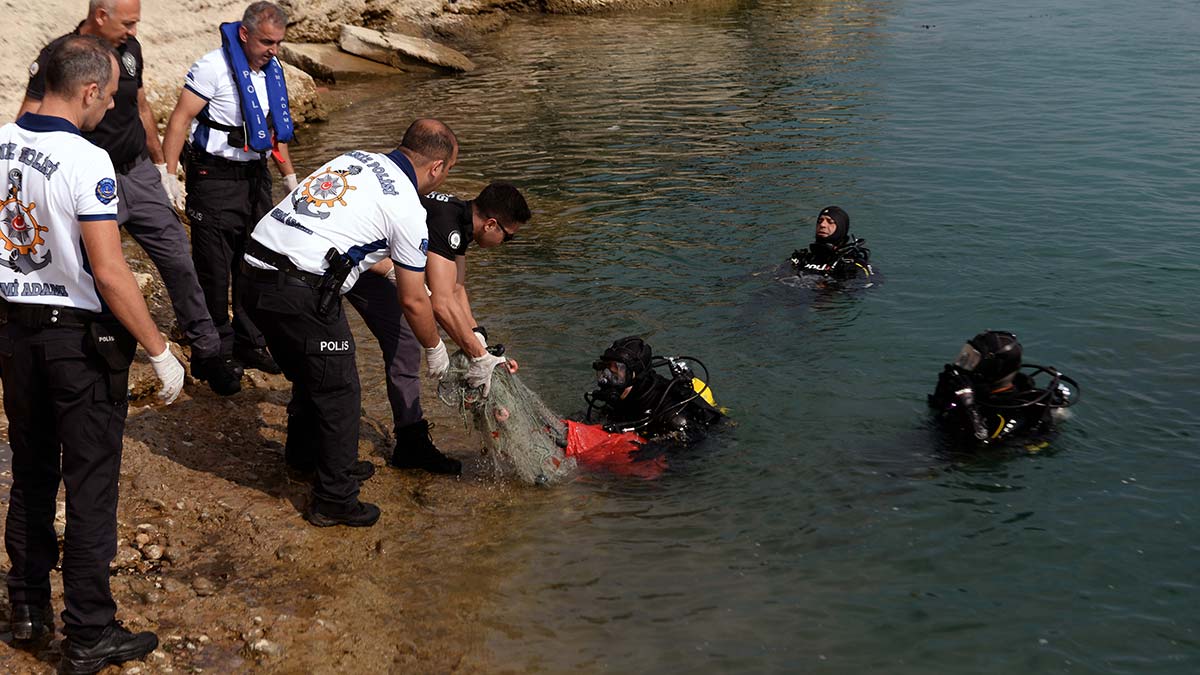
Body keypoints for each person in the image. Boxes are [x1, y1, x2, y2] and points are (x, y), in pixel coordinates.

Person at [0, 35, 185, 673]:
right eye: (108, 95)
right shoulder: (85, 159)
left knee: (29, 473)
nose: (110, 106)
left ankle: (26, 609)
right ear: (85, 91)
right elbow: (109, 272)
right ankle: (88, 631)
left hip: (14, 334)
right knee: (89, 486)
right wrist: (159, 350)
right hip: (75, 343)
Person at [240, 119, 508, 527]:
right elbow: (415, 299)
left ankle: (311, 461)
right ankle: (335, 500)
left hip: (252, 272)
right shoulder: (406, 207)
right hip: (299, 288)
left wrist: (472, 341)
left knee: (312, 375)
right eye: (448, 169)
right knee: (340, 391)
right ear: (436, 167)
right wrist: (435, 350)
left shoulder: (355, 159)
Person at [17, 0, 242, 395]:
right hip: (85, 178)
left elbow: (140, 105)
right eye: (128, 22)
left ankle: (208, 350)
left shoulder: (129, 49)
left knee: (178, 258)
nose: (134, 31)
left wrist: (161, 167)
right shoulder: (60, 55)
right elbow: (30, 117)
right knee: (91, 269)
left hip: (136, 172)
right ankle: (94, 351)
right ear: (100, 16)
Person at [345, 182, 531, 476]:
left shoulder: (457, 217)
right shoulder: (448, 226)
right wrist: (477, 358)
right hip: (357, 260)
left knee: (406, 341)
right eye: (507, 238)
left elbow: (455, 290)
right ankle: (411, 443)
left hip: (371, 259)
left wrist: (479, 341)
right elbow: (441, 304)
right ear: (491, 225)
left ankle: (409, 438)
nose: (505, 244)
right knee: (404, 344)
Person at [161, 1, 298, 375]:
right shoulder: (212, 68)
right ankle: (214, 350)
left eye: (278, 43)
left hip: (255, 175)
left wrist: (289, 178)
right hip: (214, 175)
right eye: (266, 42)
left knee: (255, 259)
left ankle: (250, 340)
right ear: (244, 34)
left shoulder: (273, 70)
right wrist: (168, 175)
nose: (273, 50)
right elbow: (179, 120)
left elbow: (273, 130)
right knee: (214, 264)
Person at [928, 330, 1079, 447]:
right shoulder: (971, 391)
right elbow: (938, 410)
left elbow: (981, 442)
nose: (965, 363)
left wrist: (968, 405)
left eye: (973, 360)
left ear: (992, 370)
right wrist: (943, 388)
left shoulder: (1014, 411)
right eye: (966, 355)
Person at [583, 336, 723, 445]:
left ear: (634, 375)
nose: (606, 379)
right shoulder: (621, 396)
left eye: (616, 373)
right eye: (604, 369)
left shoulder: (671, 415)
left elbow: (684, 459)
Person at [788, 205, 874, 279]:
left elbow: (865, 284)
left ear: (840, 228)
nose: (822, 225)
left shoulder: (851, 264)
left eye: (830, 222)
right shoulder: (803, 258)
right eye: (820, 221)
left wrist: (830, 288)